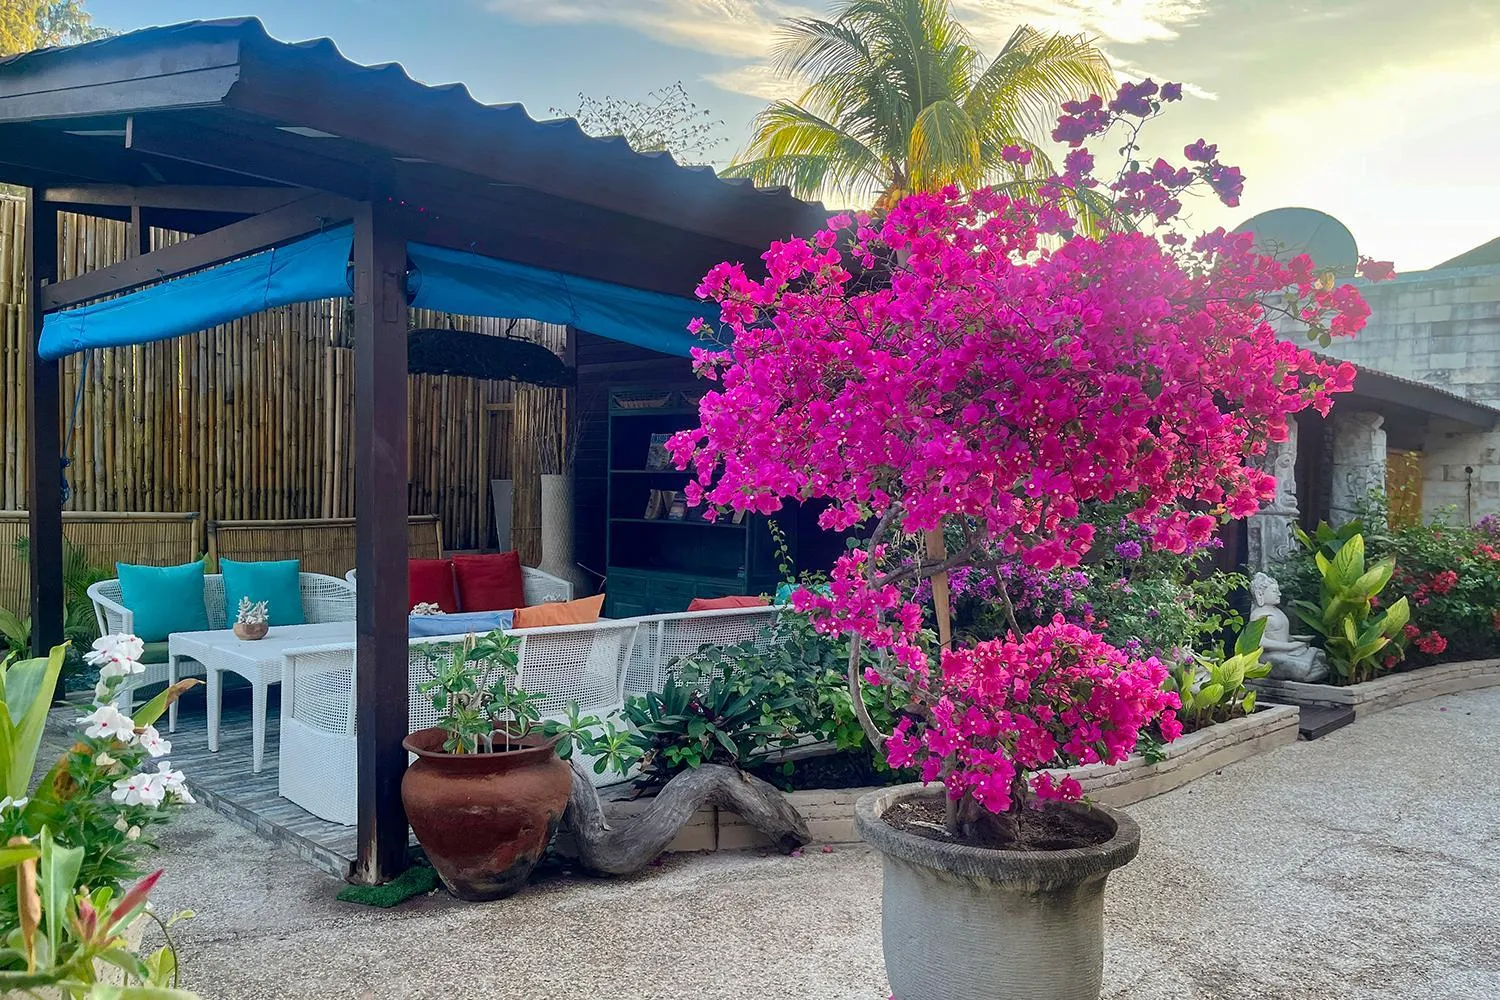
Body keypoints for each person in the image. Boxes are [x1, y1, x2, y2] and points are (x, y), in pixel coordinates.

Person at [1248, 572, 1329, 683]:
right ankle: (1307, 671)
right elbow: (1259, 641)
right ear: (1260, 594)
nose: (1279, 594)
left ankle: (1309, 669)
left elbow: (1279, 635)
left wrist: (1295, 639)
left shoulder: (1277, 611)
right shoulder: (1258, 614)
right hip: (1269, 655)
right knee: (1300, 667)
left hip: (1285, 652)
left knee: (1321, 654)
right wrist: (1289, 646)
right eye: (1275, 591)